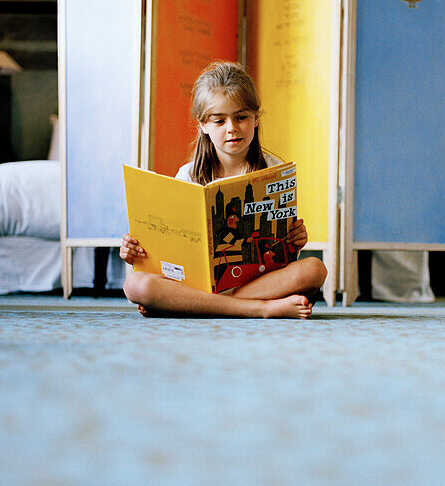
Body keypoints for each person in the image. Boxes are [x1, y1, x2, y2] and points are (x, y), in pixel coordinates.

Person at [120, 61, 327, 318]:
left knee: (315, 269)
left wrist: (296, 240)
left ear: (255, 119)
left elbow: (281, 254)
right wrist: (137, 253)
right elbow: (169, 255)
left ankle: (193, 305)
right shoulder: (188, 175)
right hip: (200, 285)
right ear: (203, 126)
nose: (232, 128)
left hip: (255, 282)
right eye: (219, 121)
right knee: (136, 284)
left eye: (241, 117)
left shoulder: (272, 170)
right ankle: (261, 309)